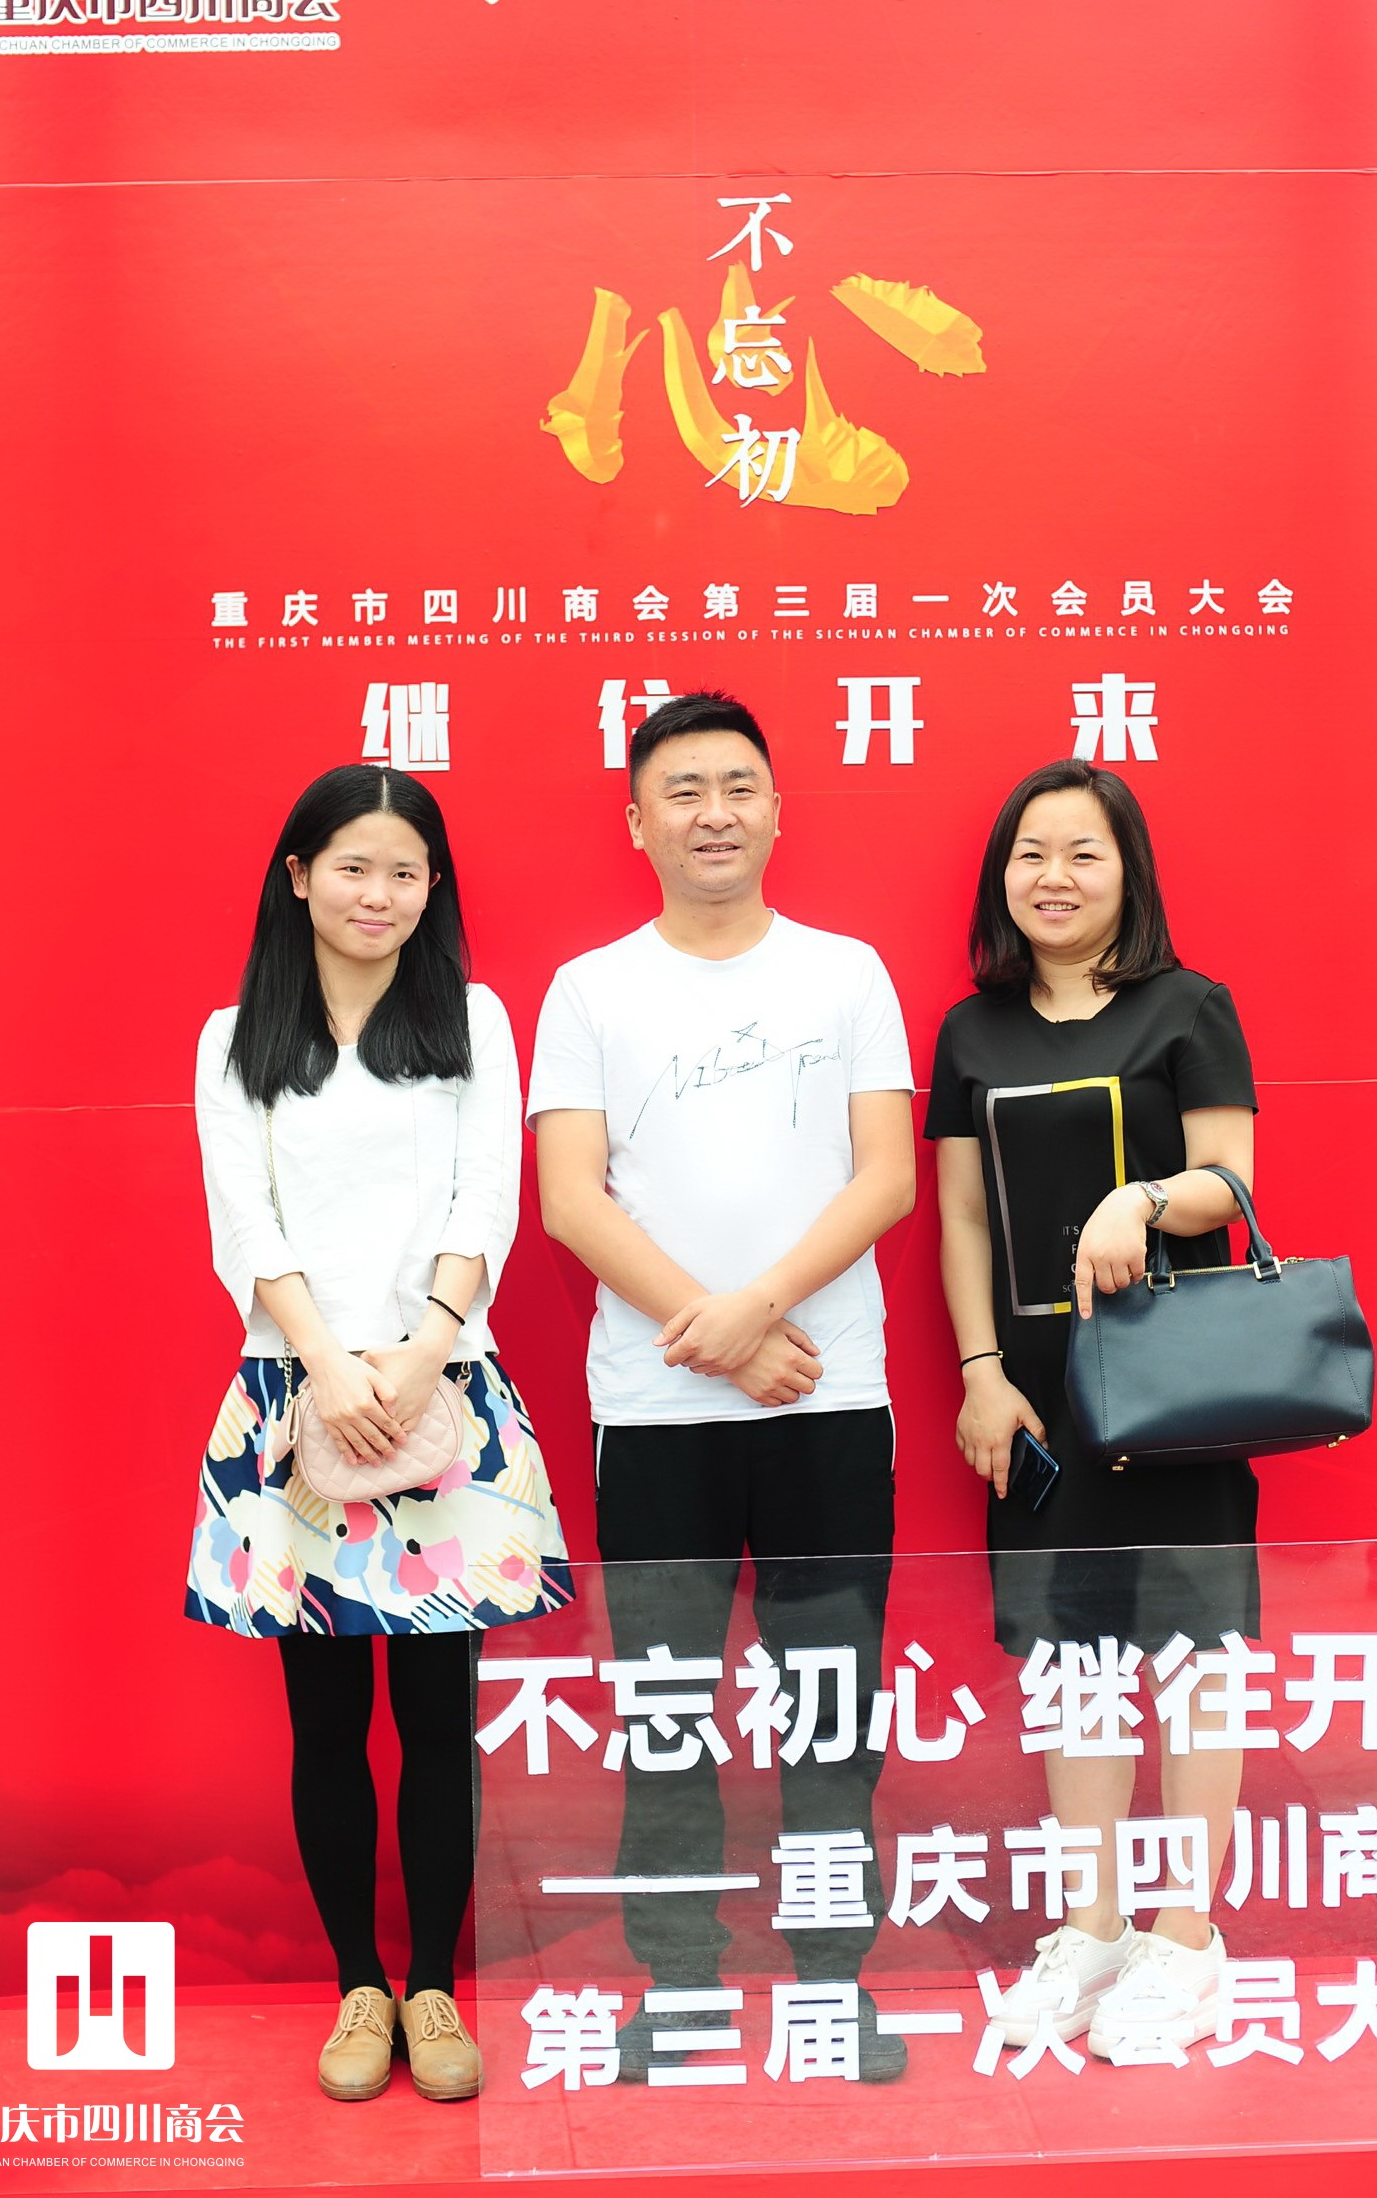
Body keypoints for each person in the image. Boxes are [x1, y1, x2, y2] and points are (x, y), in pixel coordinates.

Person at [528, 691, 916, 2082]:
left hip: (828, 1399)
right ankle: (679, 1986)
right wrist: (721, 1333)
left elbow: (888, 1175)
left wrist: (758, 1310)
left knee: (831, 1705)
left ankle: (833, 1986)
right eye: (682, 790)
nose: (713, 812)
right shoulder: (590, 990)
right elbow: (571, 1200)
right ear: (637, 823)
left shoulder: (846, 975)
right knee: (665, 1710)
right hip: (657, 1414)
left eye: (738, 786)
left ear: (776, 809)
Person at [185, 766, 571, 2104]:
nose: (380, 894)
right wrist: (329, 1363)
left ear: (432, 889)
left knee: (438, 1717)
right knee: (326, 1719)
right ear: (299, 876)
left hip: (441, 1388)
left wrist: (419, 1350)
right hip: (296, 1393)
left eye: (407, 872)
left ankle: (435, 1988)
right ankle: (359, 1982)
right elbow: (245, 1221)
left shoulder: (472, 1018)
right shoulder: (236, 1038)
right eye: (354, 866)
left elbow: (487, 1196)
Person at [925, 759, 1258, 2063]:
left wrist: (1143, 1200)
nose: (1053, 877)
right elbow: (962, 1217)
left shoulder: (1190, 1008)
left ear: (1130, 873)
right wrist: (979, 1371)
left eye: (1084, 853)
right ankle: (1095, 1928)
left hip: (1174, 1387)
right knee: (1073, 1669)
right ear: (1001, 877)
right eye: (1031, 854)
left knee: (1194, 1662)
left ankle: (1188, 1939)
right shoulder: (971, 1032)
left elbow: (1230, 1180)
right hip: (1035, 1397)